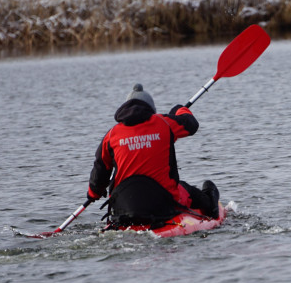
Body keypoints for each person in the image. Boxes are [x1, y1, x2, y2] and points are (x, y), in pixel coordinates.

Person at [87, 83, 220, 225]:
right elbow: (191, 124)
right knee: (186, 190)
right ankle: (211, 207)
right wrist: (179, 109)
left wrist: (93, 194)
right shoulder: (164, 123)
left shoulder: (111, 135)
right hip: (163, 204)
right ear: (151, 110)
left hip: (123, 208)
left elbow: (99, 170)